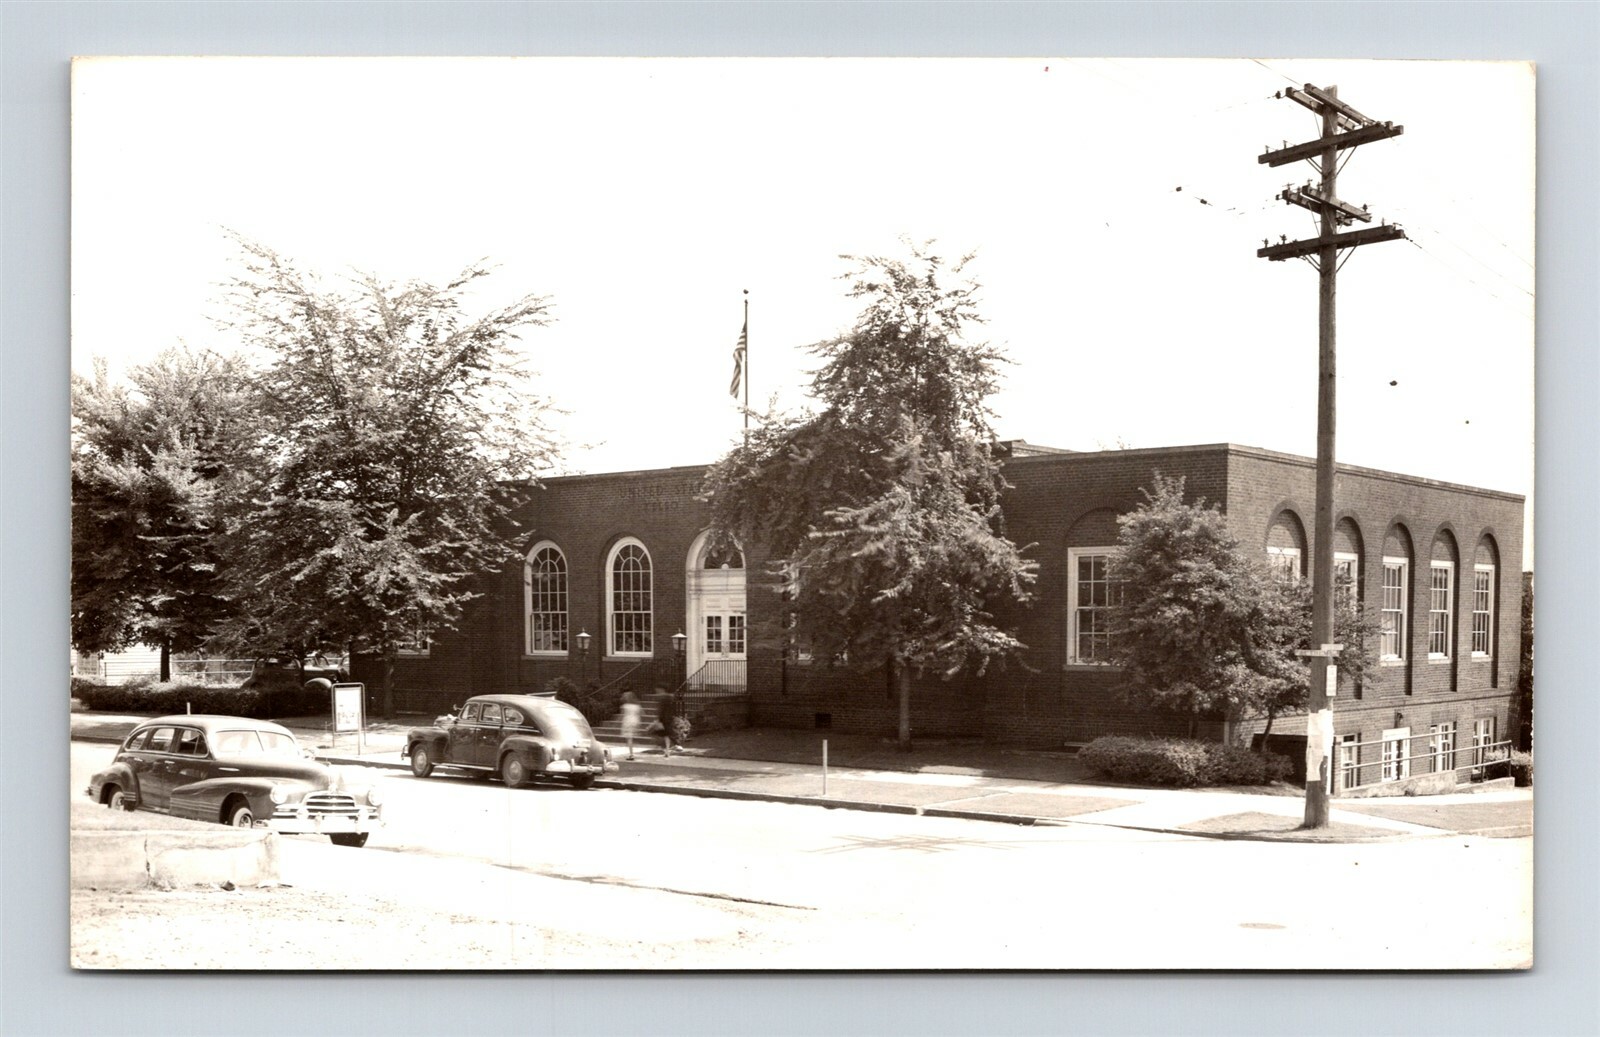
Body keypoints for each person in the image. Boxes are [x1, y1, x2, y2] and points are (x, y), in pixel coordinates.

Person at [650, 685, 679, 756]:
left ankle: (666, 748)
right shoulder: (670, 698)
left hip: (663, 719)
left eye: (658, 690)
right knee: (666, 735)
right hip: (668, 718)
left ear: (662, 689)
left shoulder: (662, 698)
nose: (657, 691)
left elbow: (660, 710)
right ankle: (667, 750)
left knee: (655, 733)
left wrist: (658, 719)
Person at [618, 689, 642, 761]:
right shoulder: (637, 706)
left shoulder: (625, 706)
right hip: (635, 720)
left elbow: (622, 715)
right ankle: (630, 751)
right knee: (630, 738)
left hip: (628, 721)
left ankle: (631, 754)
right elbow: (641, 713)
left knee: (629, 738)